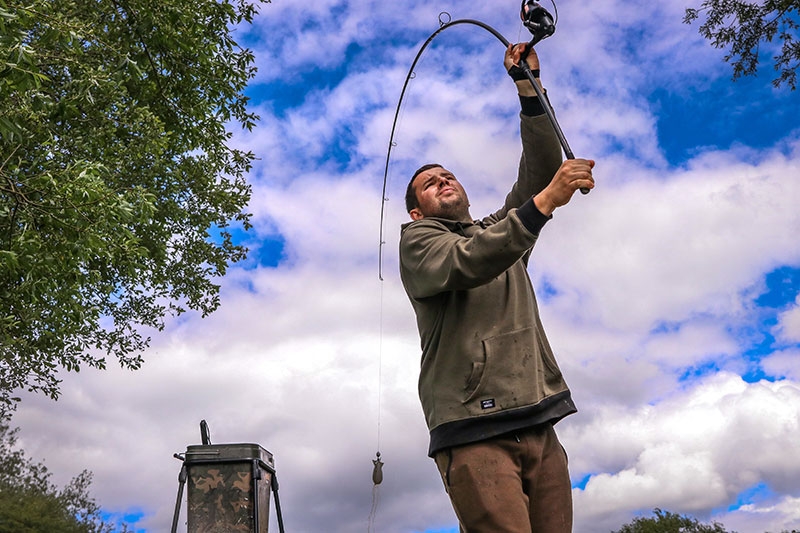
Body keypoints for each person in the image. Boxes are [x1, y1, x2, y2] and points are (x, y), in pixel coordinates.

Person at [399, 42, 595, 533]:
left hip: (538, 418)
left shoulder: (501, 232)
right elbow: (469, 261)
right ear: (416, 211)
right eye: (429, 183)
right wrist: (546, 200)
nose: (443, 180)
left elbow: (541, 172)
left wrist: (529, 85)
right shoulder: (419, 243)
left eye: (448, 175)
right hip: (472, 430)